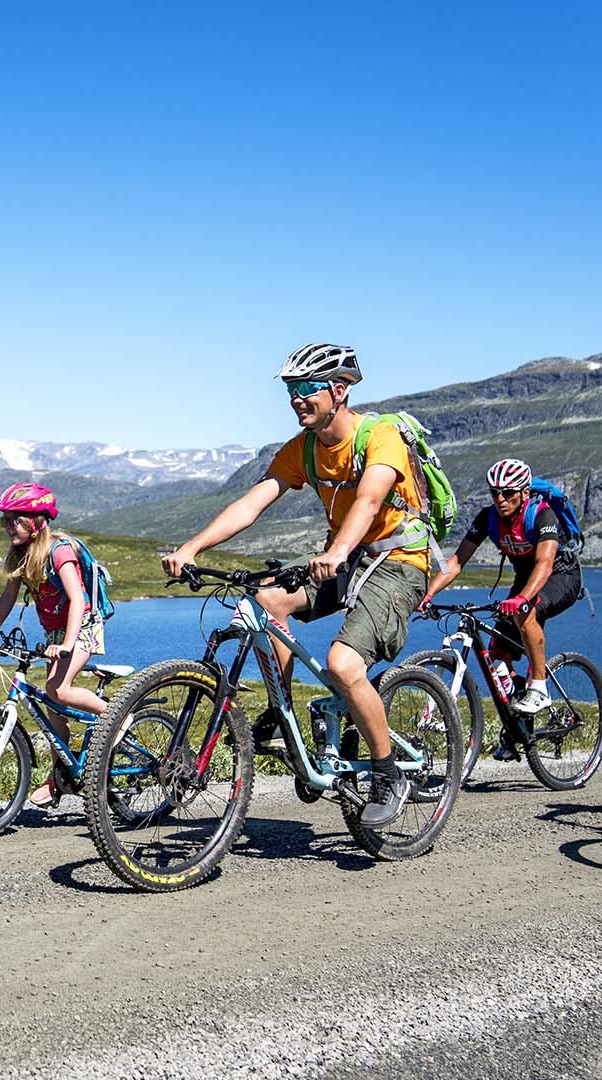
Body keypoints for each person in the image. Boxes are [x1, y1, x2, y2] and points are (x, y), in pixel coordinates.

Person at [161, 343, 433, 828]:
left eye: (306, 388)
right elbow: (251, 504)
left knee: (342, 663)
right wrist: (192, 548)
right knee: (265, 601)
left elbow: (370, 501)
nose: (296, 399)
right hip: (344, 559)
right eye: (291, 390)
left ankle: (388, 773)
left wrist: (337, 553)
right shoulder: (303, 448)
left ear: (339, 390)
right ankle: (280, 712)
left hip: (398, 562)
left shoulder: (380, 437)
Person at [420, 458, 584, 757]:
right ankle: (517, 728)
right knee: (498, 659)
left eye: (508, 493)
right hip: (525, 579)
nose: (500, 499)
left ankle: (539, 687)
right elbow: (456, 562)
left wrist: (522, 599)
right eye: (495, 492)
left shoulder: (542, 514)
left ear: (523, 493)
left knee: (525, 611)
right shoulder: (487, 518)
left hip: (561, 576)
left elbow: (545, 564)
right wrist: (428, 594)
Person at [0, 481, 107, 808]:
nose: (8, 526)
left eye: (14, 520)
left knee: (58, 690)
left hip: (83, 624)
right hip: (55, 633)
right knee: (52, 704)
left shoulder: (58, 551)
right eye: (5, 520)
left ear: (37, 522)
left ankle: (117, 717)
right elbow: (8, 596)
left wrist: (69, 643)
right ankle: (60, 777)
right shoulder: (20, 554)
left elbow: (77, 600)